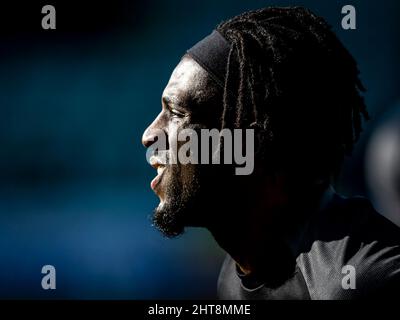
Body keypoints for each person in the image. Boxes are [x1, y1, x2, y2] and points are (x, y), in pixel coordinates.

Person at [142, 7, 400, 299]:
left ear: (252, 146)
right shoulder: (236, 275)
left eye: (176, 113)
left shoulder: (367, 280)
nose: (148, 135)